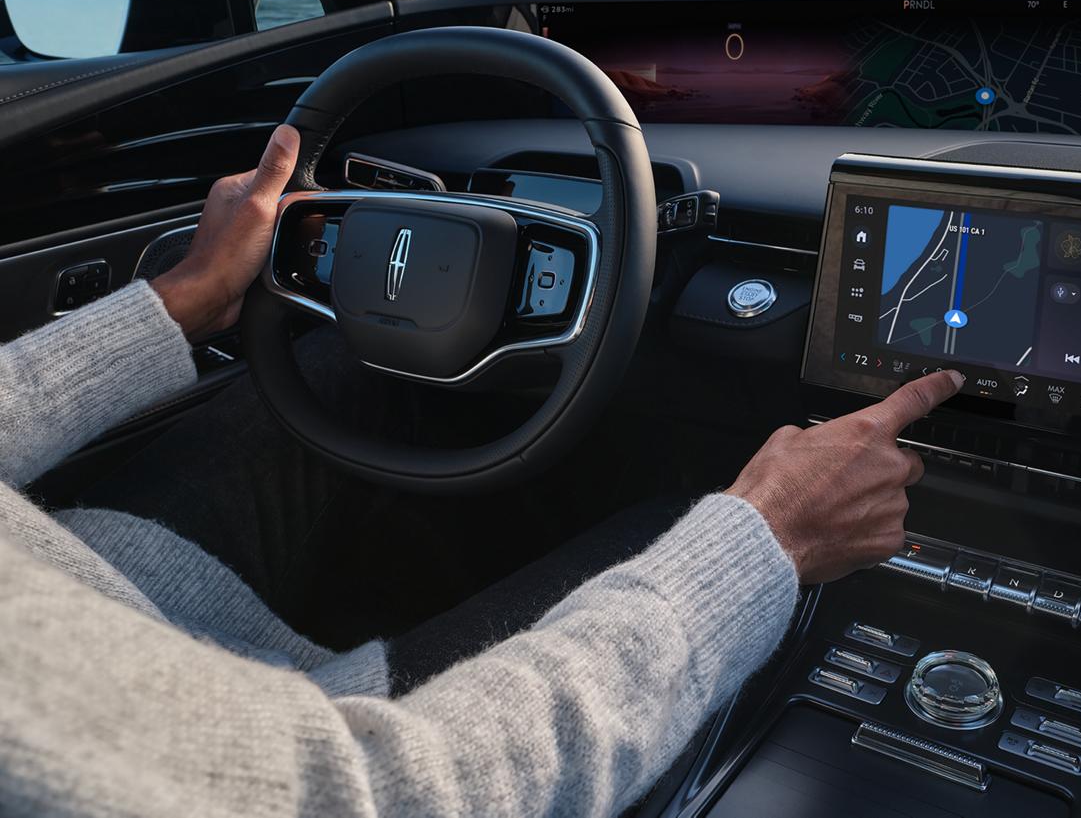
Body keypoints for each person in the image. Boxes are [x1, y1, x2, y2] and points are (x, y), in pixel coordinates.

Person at [0, 125, 963, 817]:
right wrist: (766, 541)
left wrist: (178, 303)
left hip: (80, 601)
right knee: (696, 523)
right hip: (303, 743)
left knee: (333, 369)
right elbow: (398, 794)